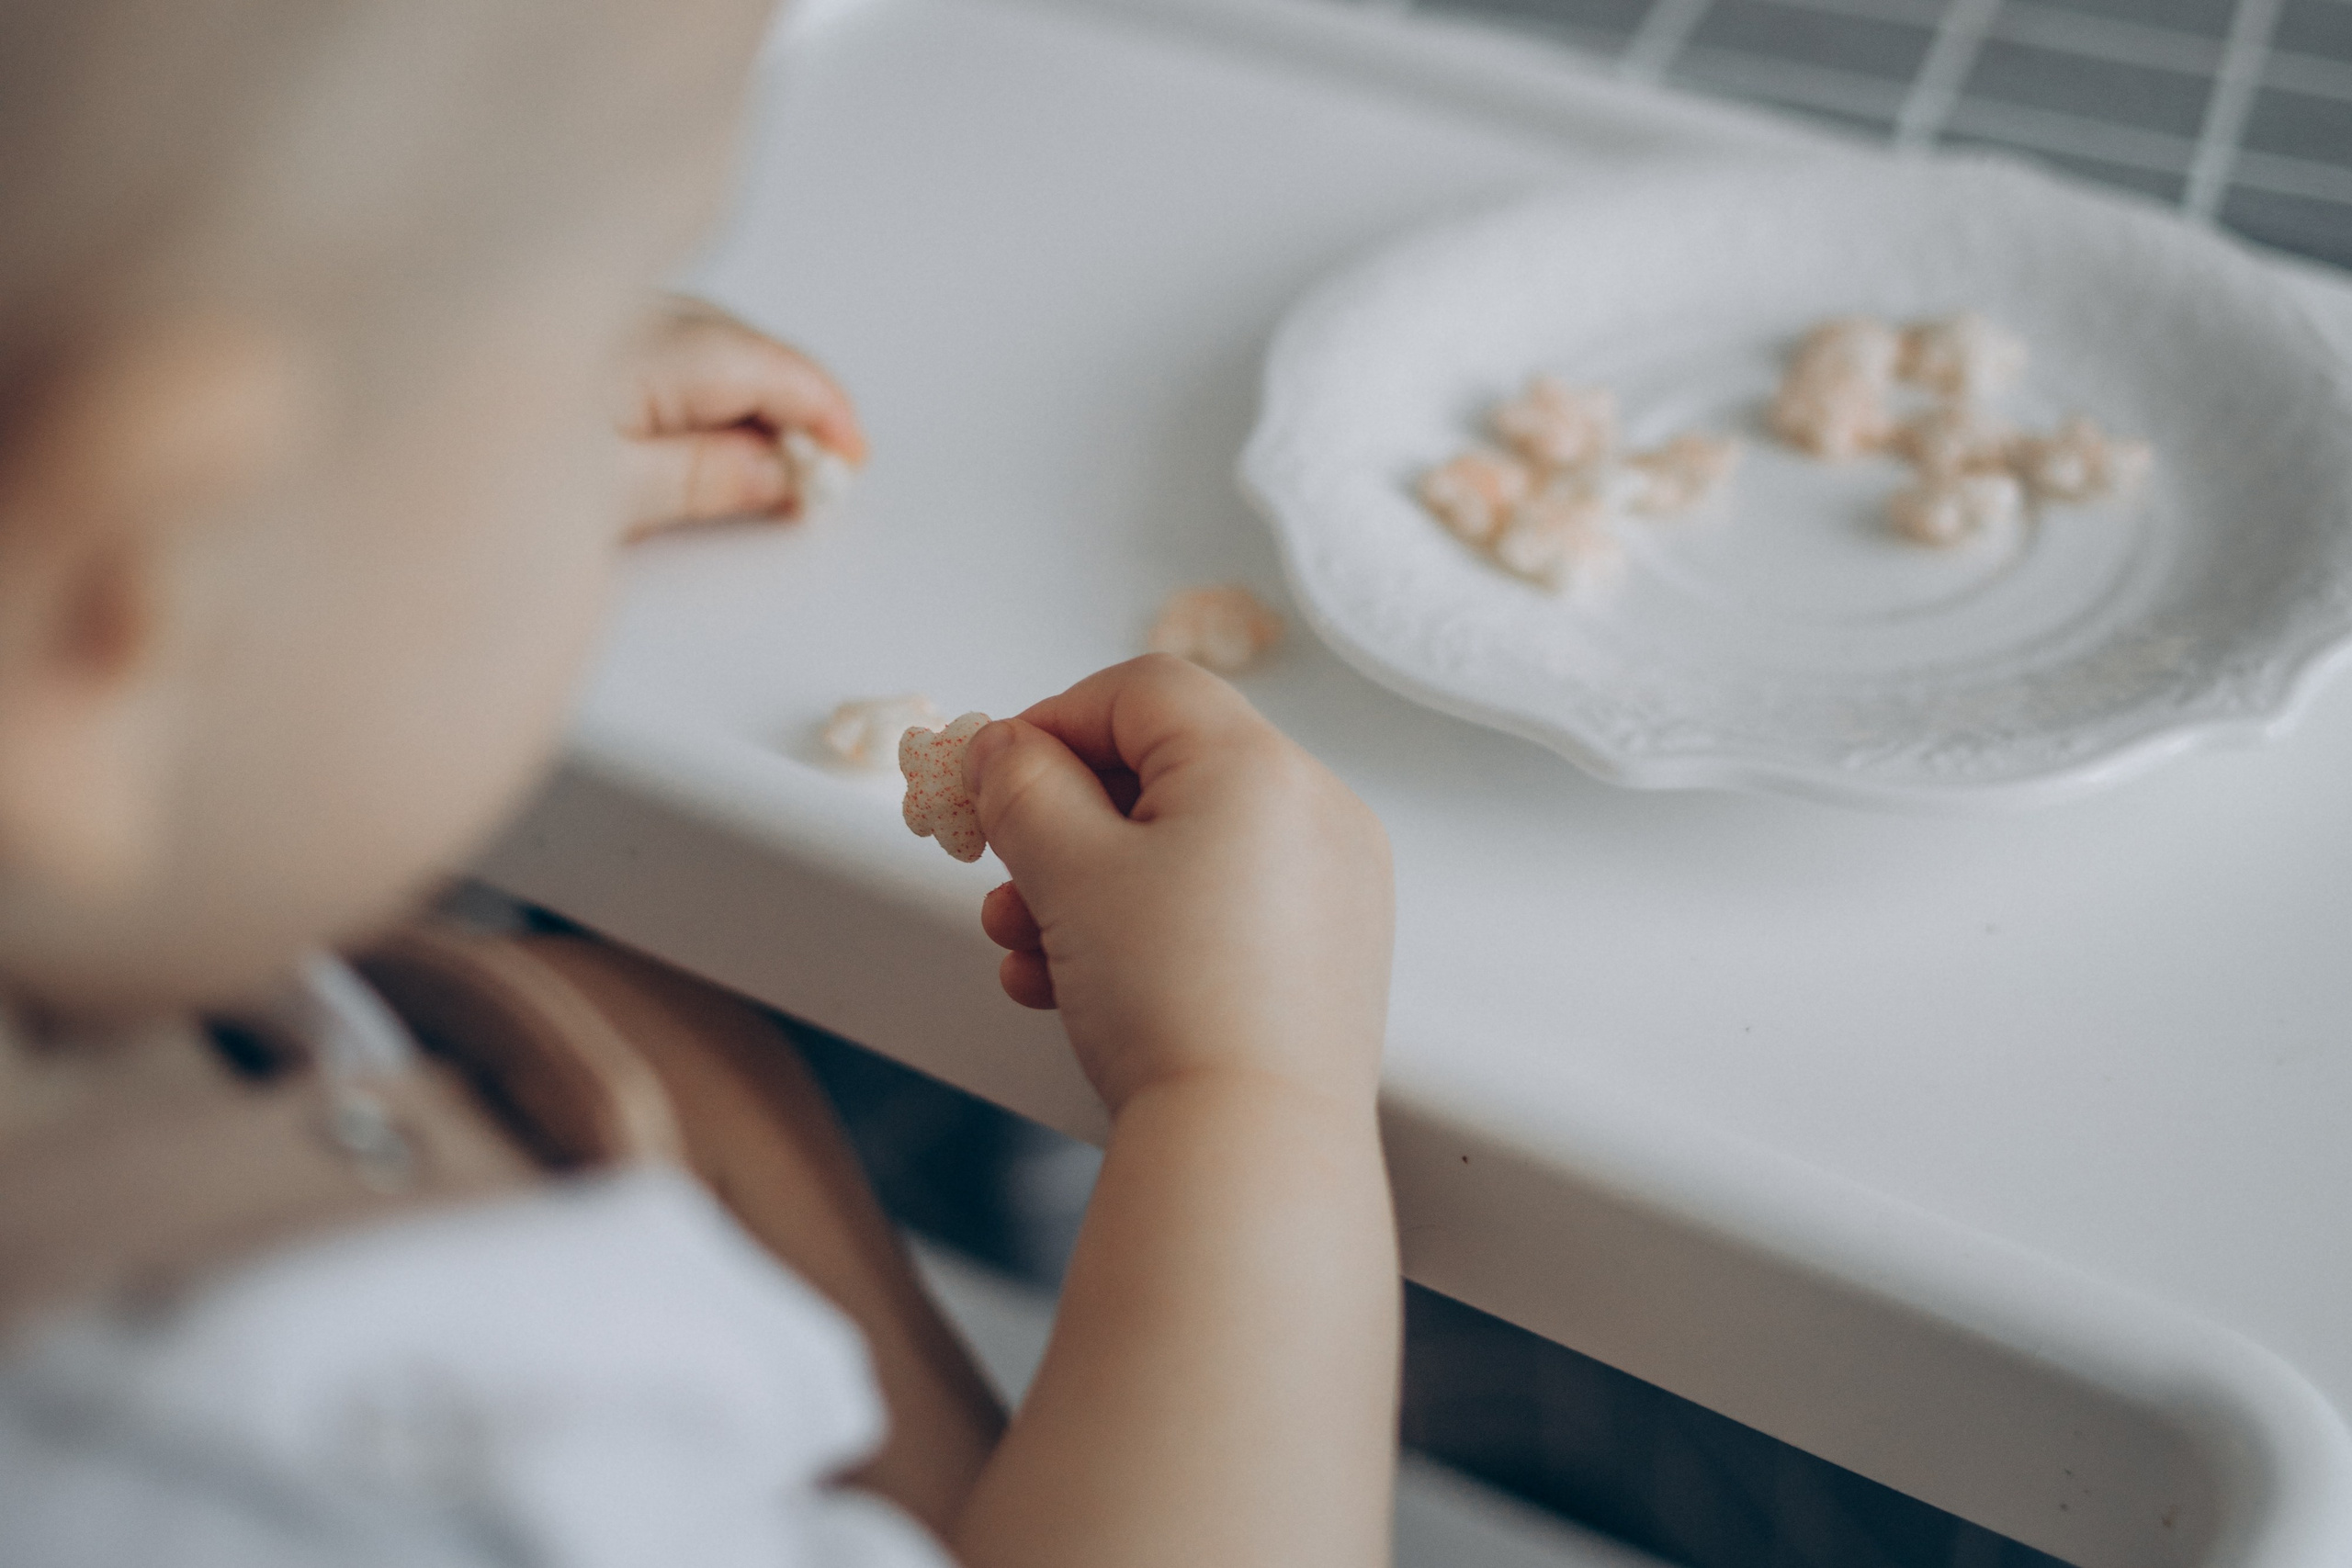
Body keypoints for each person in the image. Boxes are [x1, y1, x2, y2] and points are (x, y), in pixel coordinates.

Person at [0, 1, 1400, 1564]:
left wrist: (362, 499)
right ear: (125, 600)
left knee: (656, 1042)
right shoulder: (386, 1483)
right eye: (576, 330)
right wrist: (1250, 1097)